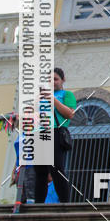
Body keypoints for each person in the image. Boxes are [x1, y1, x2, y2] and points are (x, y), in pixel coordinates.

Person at [33, 67, 76, 205]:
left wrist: (53, 99)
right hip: (40, 132)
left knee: (56, 169)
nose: (52, 82)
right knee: (40, 172)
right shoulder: (40, 97)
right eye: (49, 80)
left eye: (55, 79)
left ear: (63, 80)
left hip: (56, 131)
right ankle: (38, 204)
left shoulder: (66, 95)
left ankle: (64, 202)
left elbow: (69, 114)